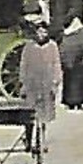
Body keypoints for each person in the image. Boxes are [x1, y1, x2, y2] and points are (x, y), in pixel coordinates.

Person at [20, 22, 63, 154]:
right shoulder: (29, 47)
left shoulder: (52, 46)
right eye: (39, 32)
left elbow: (56, 64)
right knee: (30, 115)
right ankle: (28, 139)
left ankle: (42, 141)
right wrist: (23, 82)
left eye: (44, 32)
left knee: (44, 115)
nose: (42, 35)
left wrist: (56, 81)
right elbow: (23, 65)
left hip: (46, 83)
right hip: (32, 84)